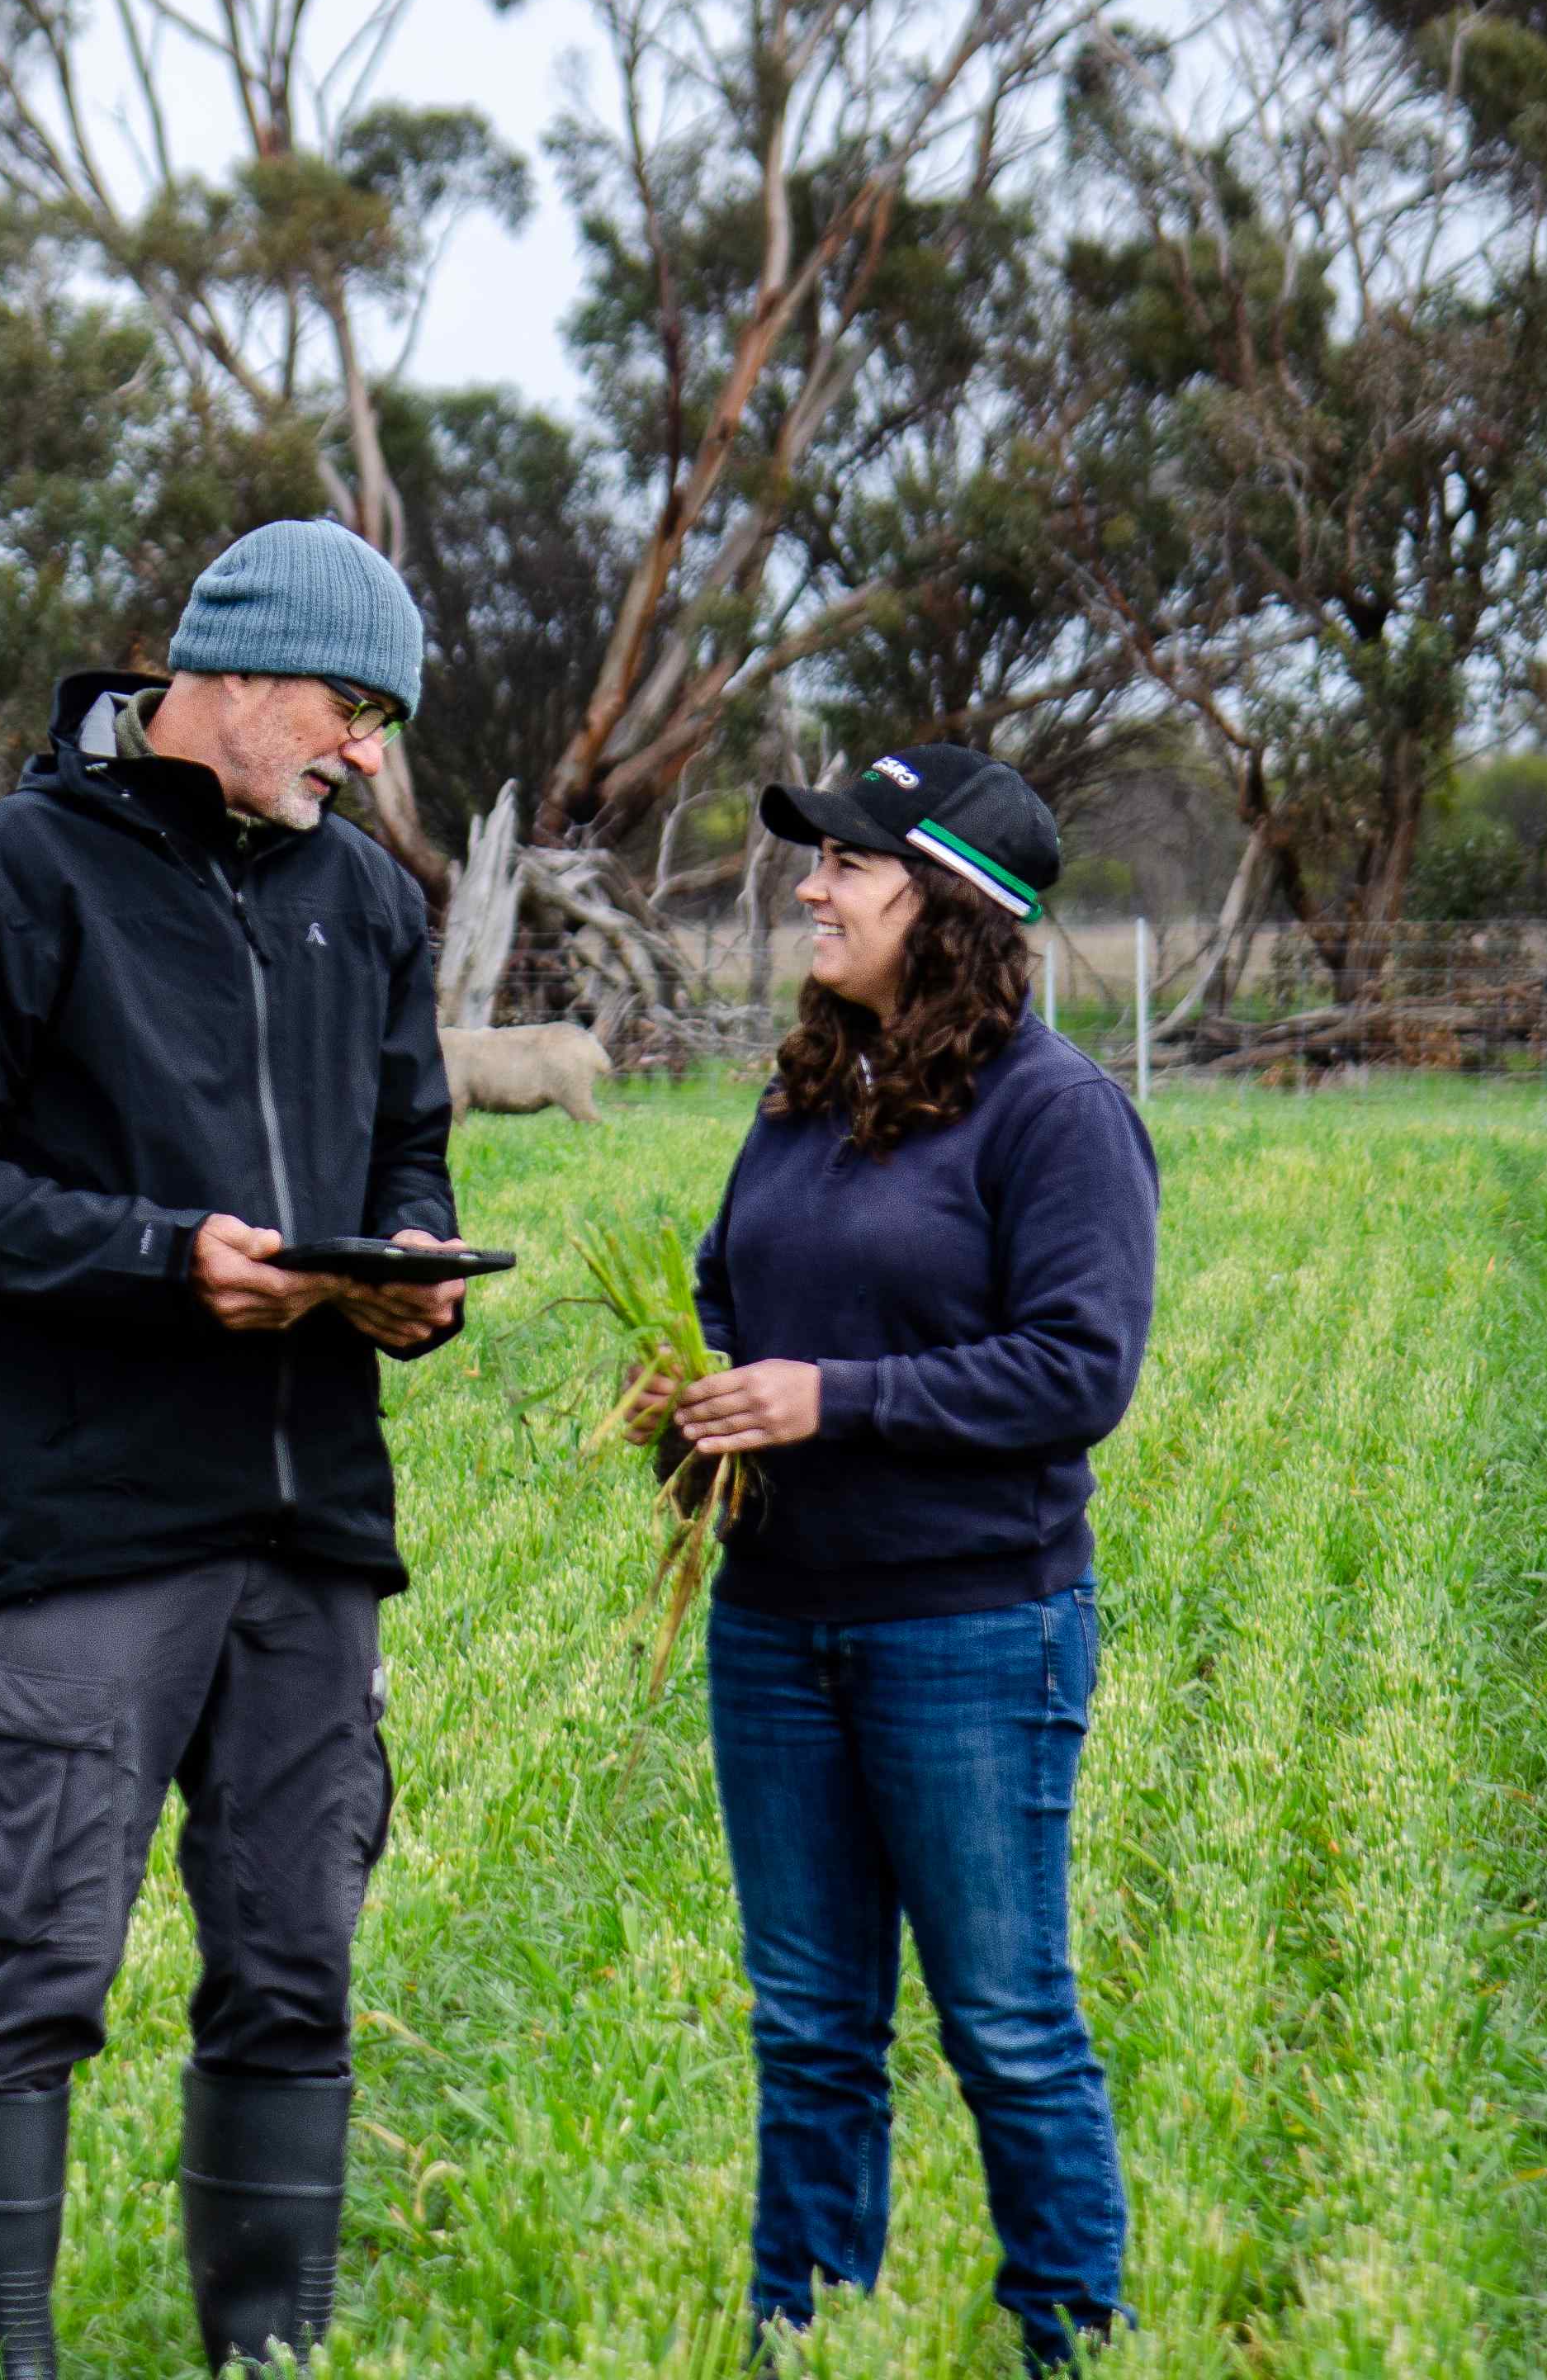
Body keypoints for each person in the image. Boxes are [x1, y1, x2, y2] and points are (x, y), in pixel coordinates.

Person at [0, 520, 475, 2379]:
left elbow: (407, 1145)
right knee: (31, 1969)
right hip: (95, 1524)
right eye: (352, 712)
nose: (364, 757)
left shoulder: (363, 902)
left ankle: (264, 2356)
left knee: (294, 1974)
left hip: (311, 1529)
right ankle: (6, 2355)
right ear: (242, 672)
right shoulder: (10, 882)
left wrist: (411, 1264)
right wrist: (157, 1263)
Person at [643, 745, 1159, 2375]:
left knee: (1002, 2026)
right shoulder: (805, 1096)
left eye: (846, 865)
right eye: (814, 861)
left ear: (942, 907)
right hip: (776, 1626)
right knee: (807, 2032)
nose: (808, 886)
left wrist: (828, 1401)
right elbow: (734, 1296)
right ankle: (803, 2338)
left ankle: (1066, 2338)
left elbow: (1078, 1370)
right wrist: (693, 1401)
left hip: (966, 1630)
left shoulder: (1053, 1112)